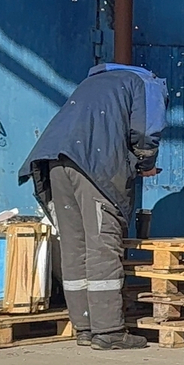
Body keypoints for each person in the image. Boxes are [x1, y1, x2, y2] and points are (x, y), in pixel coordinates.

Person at [18, 63, 165, 350]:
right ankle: (109, 330)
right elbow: (147, 132)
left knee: (75, 244)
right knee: (102, 244)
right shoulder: (148, 82)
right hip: (93, 164)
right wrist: (144, 163)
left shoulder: (94, 82)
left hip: (55, 162)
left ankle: (84, 327)